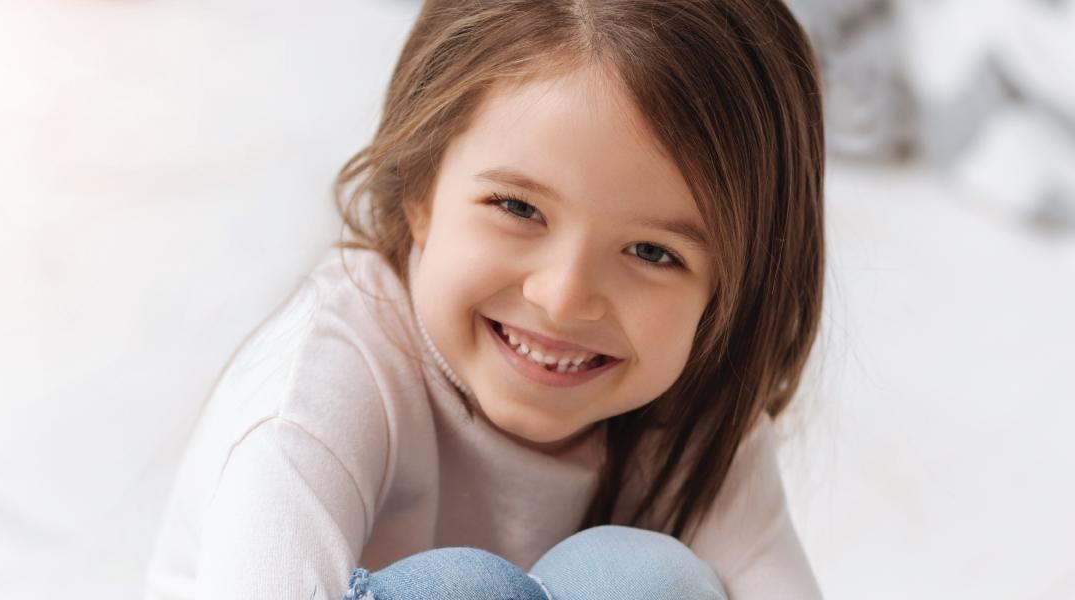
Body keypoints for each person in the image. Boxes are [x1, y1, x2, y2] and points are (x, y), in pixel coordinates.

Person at [144, 0, 827, 598]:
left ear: (734, 288)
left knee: (643, 581)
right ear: (420, 191)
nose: (563, 299)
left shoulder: (698, 412)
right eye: (516, 207)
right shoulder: (319, 388)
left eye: (653, 253)